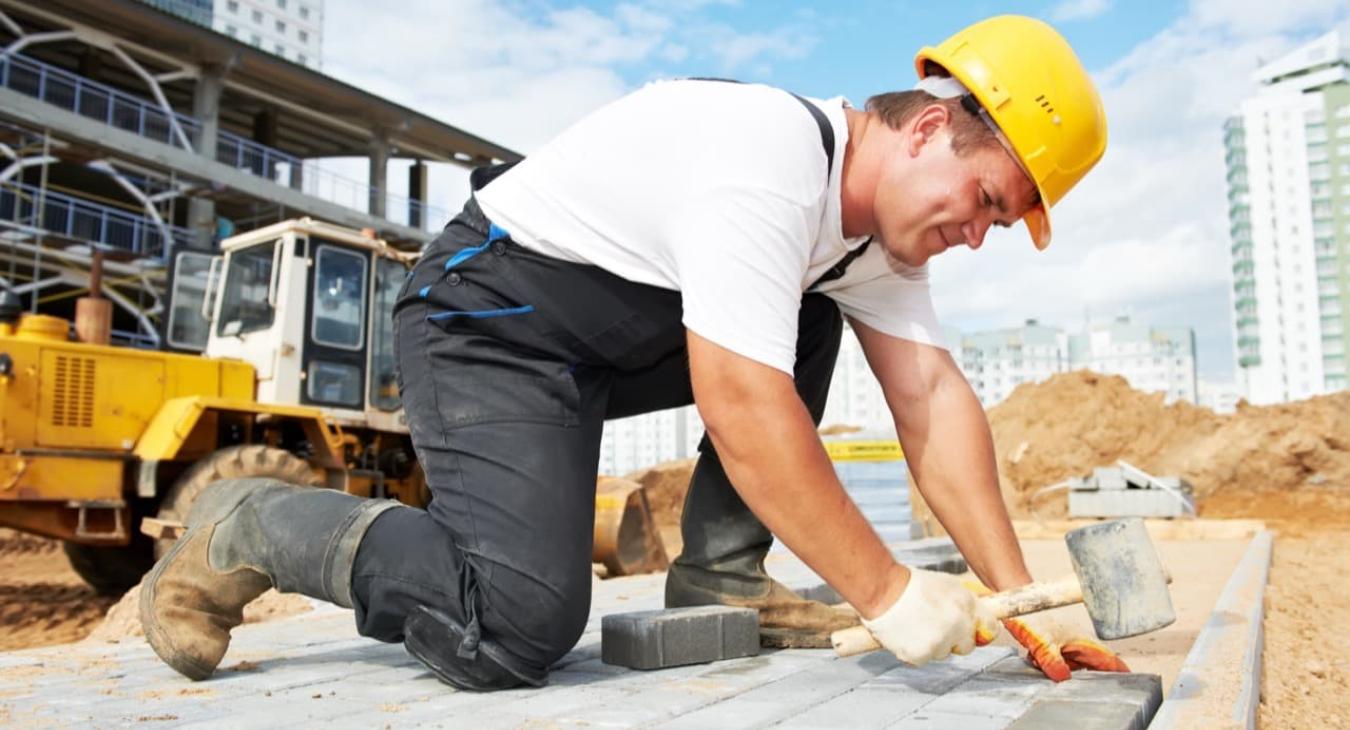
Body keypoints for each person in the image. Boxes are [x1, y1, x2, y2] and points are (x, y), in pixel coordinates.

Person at [140, 15, 1129, 691]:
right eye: (989, 203)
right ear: (925, 128)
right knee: (515, 625)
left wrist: (1018, 599)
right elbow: (741, 399)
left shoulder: (869, 245)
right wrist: (888, 591)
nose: (981, 234)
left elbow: (933, 402)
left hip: (599, 344)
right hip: (484, 321)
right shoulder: (768, 160)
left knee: (813, 311)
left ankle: (722, 575)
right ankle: (252, 521)